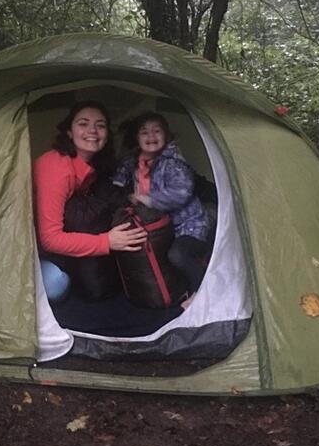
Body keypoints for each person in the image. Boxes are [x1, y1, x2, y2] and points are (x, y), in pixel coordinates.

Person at [33, 100, 147, 301]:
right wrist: (107, 241)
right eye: (83, 124)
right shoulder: (58, 168)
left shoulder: (91, 167)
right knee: (56, 285)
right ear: (69, 132)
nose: (92, 130)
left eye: (100, 125)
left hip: (50, 245)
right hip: (24, 247)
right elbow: (49, 239)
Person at [112, 112, 211, 296]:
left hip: (188, 225)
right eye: (144, 132)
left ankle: (203, 290)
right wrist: (117, 188)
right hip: (160, 228)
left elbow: (181, 192)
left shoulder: (172, 162)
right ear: (137, 138)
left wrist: (148, 199)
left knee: (177, 256)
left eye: (157, 131)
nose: (151, 136)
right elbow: (119, 177)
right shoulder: (134, 161)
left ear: (166, 135)